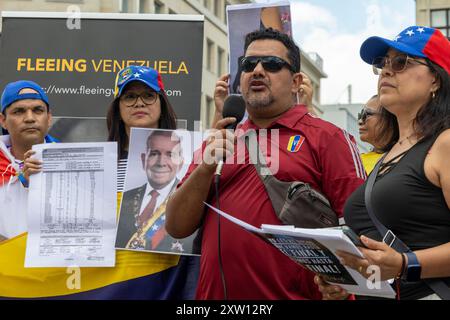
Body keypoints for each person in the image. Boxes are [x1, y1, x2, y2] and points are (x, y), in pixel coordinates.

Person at [166, 28, 366, 300]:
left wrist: (345, 283)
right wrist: (205, 167)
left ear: (296, 82)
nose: (257, 70)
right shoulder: (220, 139)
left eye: (272, 64)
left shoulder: (328, 137)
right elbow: (176, 227)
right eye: (248, 65)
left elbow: (361, 230)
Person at [317, 26, 450, 300]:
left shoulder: (445, 143)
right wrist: (349, 278)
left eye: (400, 62)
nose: (386, 71)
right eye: (382, 63)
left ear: (436, 79)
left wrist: (405, 264)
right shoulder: (390, 154)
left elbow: (397, 262)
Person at [107, 65, 199, 300]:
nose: (139, 103)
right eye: (129, 96)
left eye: (148, 95)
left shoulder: (191, 156)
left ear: (161, 103)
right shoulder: (102, 161)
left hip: (170, 279)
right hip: (113, 281)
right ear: (118, 107)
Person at [116, 130, 197, 254]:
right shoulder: (125, 198)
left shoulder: (189, 200)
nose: (161, 163)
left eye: (170, 155)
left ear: (180, 163)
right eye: (154, 153)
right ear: (144, 160)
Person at [0, 80, 57, 239]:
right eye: (19, 111)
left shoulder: (74, 161)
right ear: (3, 120)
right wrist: (21, 182)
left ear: (49, 117)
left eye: (38, 110)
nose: (30, 118)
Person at [358, 95, 384, 174]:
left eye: (367, 114)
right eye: (360, 115)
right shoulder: (356, 161)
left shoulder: (408, 158)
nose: (360, 121)